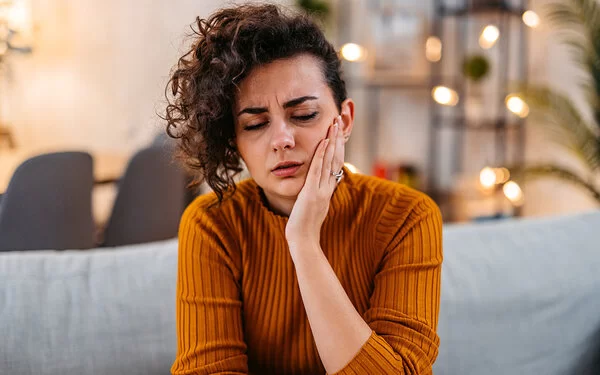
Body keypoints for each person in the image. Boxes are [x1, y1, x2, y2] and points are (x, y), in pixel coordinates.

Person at [165, 4, 443, 375]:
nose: (281, 139)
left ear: (343, 121)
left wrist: (304, 242)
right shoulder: (212, 225)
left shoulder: (407, 216)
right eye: (255, 124)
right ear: (234, 140)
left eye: (304, 115)